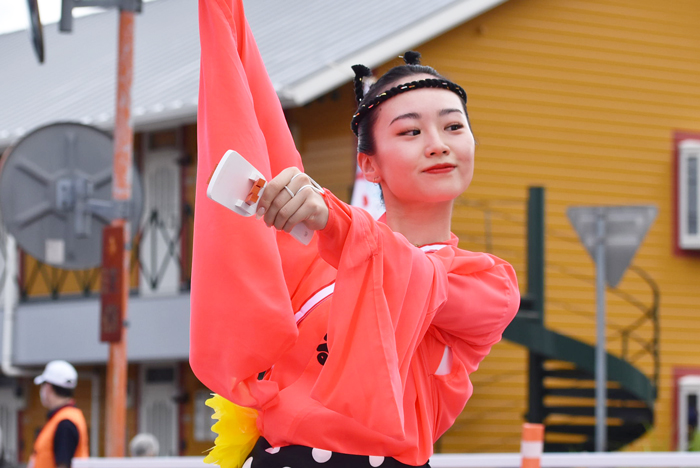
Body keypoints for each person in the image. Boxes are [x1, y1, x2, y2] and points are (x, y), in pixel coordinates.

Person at [190, 0, 520, 467]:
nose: (438, 144)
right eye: (410, 132)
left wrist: (330, 217)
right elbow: (260, 147)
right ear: (369, 163)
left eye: (453, 125)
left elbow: (418, 279)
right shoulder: (317, 258)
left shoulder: (487, 284)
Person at [29, 360, 89, 468]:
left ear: (48, 387)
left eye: (43, 386)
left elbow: (63, 464)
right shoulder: (64, 418)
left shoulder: (65, 422)